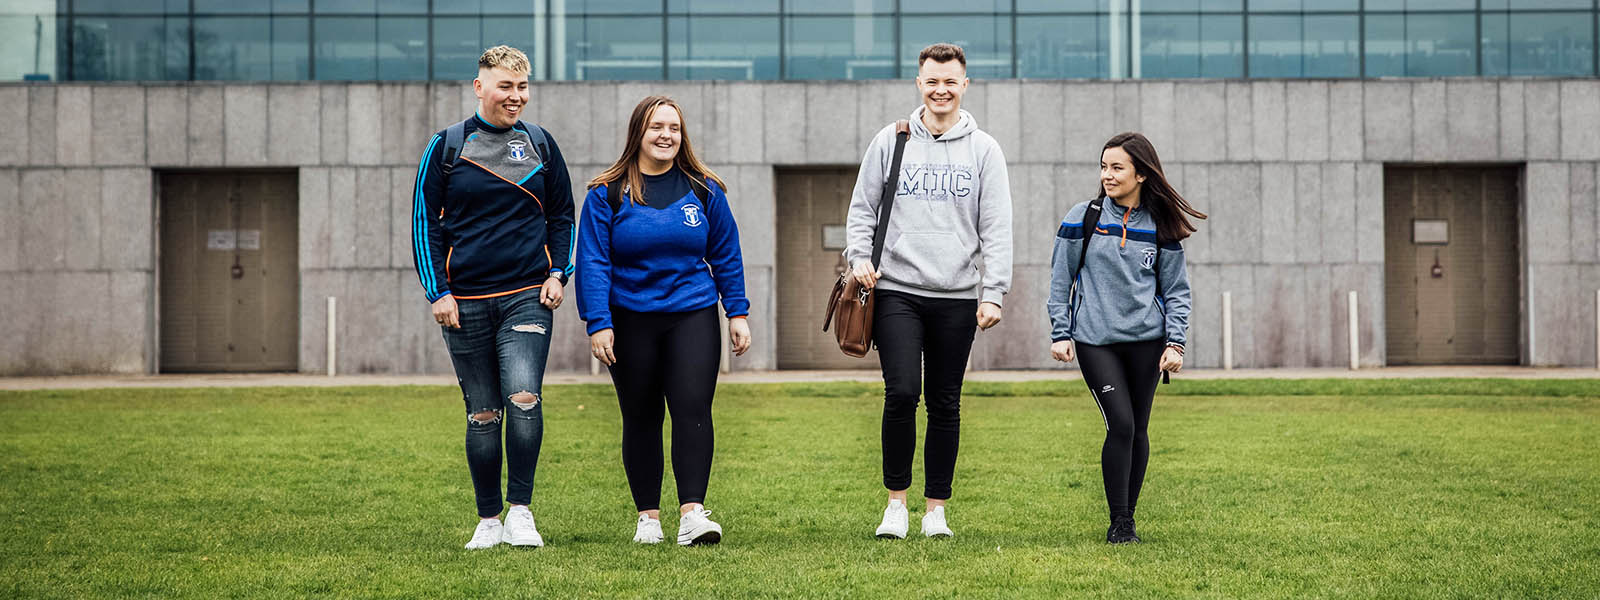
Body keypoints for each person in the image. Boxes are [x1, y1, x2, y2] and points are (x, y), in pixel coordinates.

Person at [844, 43, 1013, 540]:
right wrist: (859, 259)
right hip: (896, 288)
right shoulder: (891, 140)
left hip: (958, 295)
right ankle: (895, 504)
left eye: (950, 81)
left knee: (945, 401)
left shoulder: (984, 149)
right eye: (932, 81)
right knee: (901, 393)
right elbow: (862, 210)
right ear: (919, 84)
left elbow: (997, 226)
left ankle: (935, 509)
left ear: (965, 85)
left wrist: (993, 292)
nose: (941, 90)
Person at [411, 45, 574, 550]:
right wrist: (438, 292)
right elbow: (424, 223)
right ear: (479, 87)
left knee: (523, 397)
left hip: (529, 296)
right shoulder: (446, 147)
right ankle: (487, 520)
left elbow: (564, 215)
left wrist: (558, 273)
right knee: (483, 413)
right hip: (464, 304)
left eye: (523, 87)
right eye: (506, 86)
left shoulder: (541, 144)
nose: (516, 97)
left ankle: (521, 512)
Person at [575, 95, 752, 546]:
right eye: (657, 127)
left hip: (691, 314)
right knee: (641, 416)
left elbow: (726, 254)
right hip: (629, 319)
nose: (666, 135)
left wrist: (738, 312)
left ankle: (693, 515)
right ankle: (648, 519)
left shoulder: (703, 188)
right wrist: (598, 322)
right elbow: (593, 262)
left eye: (674, 128)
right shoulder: (605, 194)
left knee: (693, 408)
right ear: (639, 132)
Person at [1046, 132, 1205, 544]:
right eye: (1103, 167)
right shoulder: (1083, 217)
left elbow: (1176, 290)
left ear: (1141, 174)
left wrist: (1175, 342)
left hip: (1147, 343)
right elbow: (1060, 279)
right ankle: (1119, 520)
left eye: (1117, 168)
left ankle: (1126, 520)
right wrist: (1061, 332)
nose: (1107, 175)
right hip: (1096, 341)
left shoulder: (1162, 227)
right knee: (1120, 423)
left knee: (1138, 429)